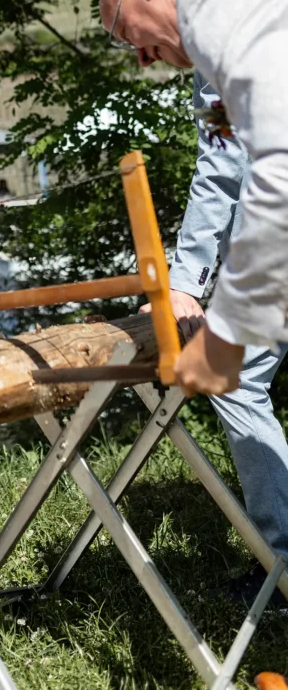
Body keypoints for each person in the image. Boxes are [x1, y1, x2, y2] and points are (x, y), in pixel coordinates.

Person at [98, 0, 288, 398]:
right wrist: (184, 283)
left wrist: (225, 333)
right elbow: (222, 157)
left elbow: (276, 168)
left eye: (127, 35)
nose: (141, 58)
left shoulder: (215, 12)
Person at [140, 71, 288, 598]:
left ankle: (283, 566)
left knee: (239, 380)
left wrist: (184, 282)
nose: (144, 58)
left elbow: (223, 163)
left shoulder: (224, 40)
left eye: (140, 39)